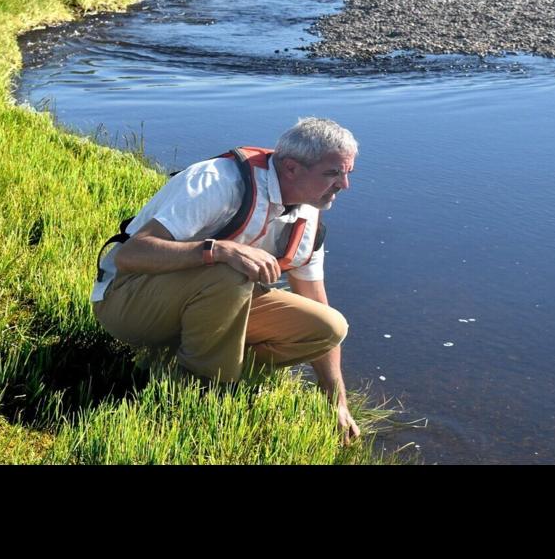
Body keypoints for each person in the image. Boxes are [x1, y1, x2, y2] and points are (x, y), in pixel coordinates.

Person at [92, 117, 361, 444]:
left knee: (329, 327)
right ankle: (196, 394)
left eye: (348, 172)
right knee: (231, 270)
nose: (344, 184)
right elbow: (130, 255)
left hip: (208, 305)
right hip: (127, 302)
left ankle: (189, 365)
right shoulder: (217, 182)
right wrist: (217, 250)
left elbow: (317, 302)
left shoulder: (308, 213)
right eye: (333, 173)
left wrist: (337, 402)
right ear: (291, 168)